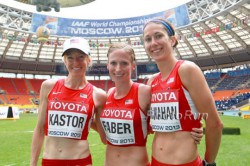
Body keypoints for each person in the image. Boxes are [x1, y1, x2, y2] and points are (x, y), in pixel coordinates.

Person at [95, 43, 204, 166]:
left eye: (124, 63)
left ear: (133, 66)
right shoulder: (107, 95)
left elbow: (172, 111)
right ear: (107, 66)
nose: (118, 69)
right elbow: (105, 137)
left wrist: (194, 126)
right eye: (113, 63)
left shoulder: (144, 92)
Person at [143, 18, 224, 166]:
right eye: (148, 39)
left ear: (173, 40)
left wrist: (209, 162)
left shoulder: (187, 70)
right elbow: (149, 126)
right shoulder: (151, 82)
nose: (153, 42)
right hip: (155, 162)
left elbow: (214, 123)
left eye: (159, 36)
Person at [30, 37, 106, 166]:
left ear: (88, 59)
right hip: (50, 160)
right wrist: (33, 163)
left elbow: (105, 138)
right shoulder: (48, 86)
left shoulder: (98, 95)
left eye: (81, 57)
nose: (75, 62)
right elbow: (40, 129)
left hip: (81, 161)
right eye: (70, 57)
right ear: (65, 61)